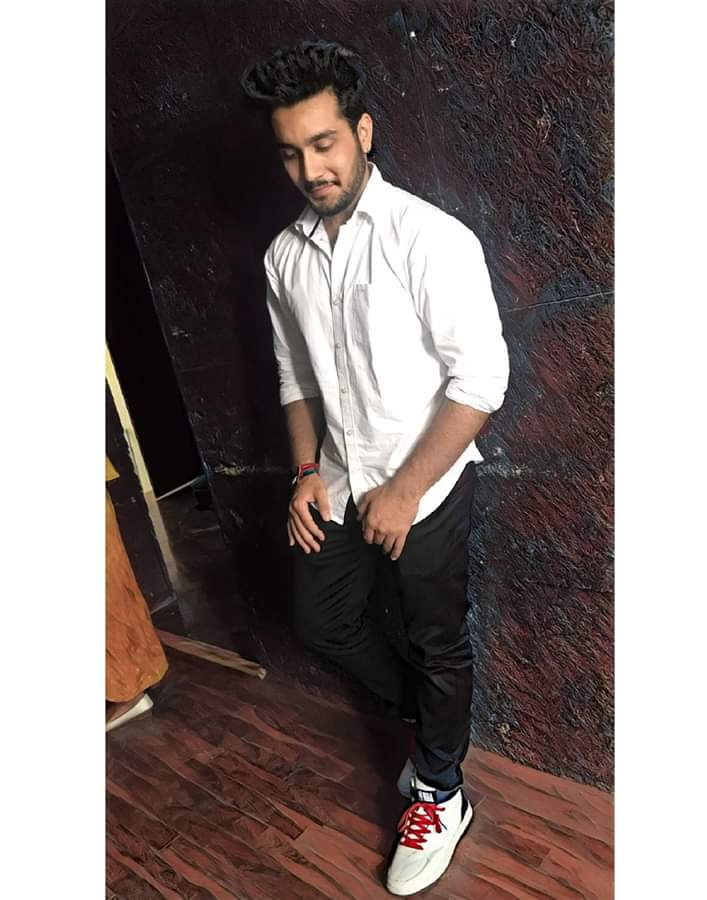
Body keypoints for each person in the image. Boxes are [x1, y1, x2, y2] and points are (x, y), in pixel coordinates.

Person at [242, 40, 509, 896]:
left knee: (437, 643)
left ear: (362, 131)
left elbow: (482, 382)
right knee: (322, 622)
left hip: (425, 484)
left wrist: (405, 488)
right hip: (340, 479)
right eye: (291, 152)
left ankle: (441, 788)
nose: (310, 169)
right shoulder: (283, 258)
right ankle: (431, 731)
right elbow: (295, 380)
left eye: (324, 144)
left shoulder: (429, 238)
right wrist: (304, 471)